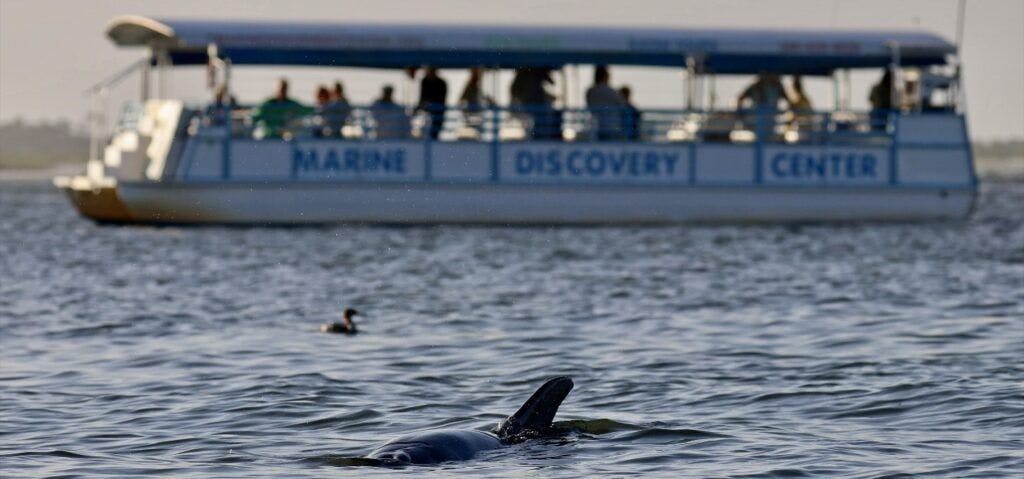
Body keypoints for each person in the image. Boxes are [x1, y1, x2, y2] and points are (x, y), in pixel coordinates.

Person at [510, 68, 561, 140]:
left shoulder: (528, 78)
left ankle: (541, 136)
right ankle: (541, 136)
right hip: (531, 108)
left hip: (532, 108)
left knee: (543, 120)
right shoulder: (535, 75)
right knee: (540, 121)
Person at [736, 73, 787, 137]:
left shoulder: (778, 87)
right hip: (758, 118)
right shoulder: (755, 87)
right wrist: (740, 113)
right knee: (760, 135)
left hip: (770, 118)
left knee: (768, 136)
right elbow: (740, 98)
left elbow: (788, 100)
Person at [585, 65, 624, 140]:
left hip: (596, 127)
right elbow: (622, 106)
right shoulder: (612, 91)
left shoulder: (590, 91)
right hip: (612, 127)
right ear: (605, 76)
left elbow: (589, 106)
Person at [417, 67, 448, 140]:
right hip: (426, 113)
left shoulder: (441, 83)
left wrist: (430, 104)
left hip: (437, 113)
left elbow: (441, 99)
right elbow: (422, 97)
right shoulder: (424, 81)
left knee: (434, 133)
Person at [459, 67, 487, 131]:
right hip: (471, 115)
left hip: (476, 115)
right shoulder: (470, 86)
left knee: (476, 131)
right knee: (472, 130)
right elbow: (462, 100)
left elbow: (481, 97)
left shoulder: (477, 86)